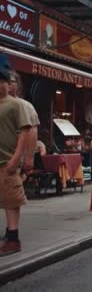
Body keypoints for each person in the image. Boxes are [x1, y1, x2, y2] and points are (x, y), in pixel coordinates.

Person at [0, 65, 34, 256]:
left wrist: (18, 158)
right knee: (3, 199)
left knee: (12, 200)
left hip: (8, 161)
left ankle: (13, 239)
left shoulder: (16, 104)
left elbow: (26, 130)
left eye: (3, 82)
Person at [8, 71, 39, 175]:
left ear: (17, 84)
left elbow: (32, 132)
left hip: (14, 158)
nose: (7, 84)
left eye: (11, 81)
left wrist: (29, 158)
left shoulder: (25, 106)